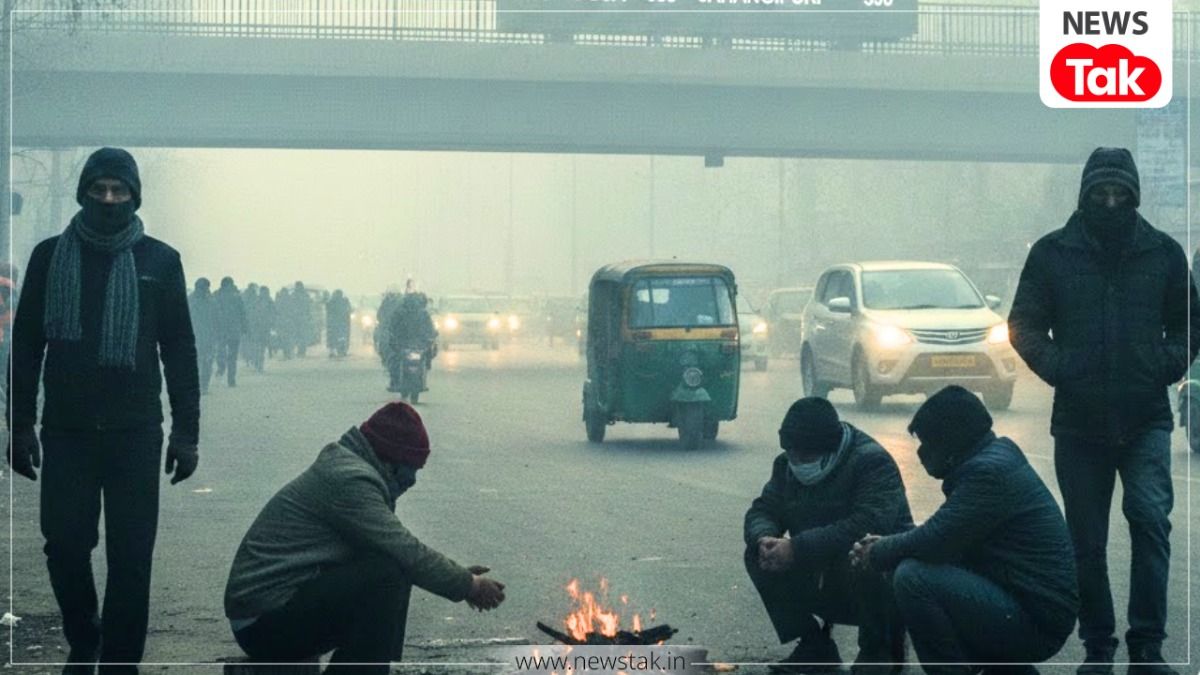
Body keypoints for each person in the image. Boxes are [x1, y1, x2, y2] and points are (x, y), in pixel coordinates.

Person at [5, 147, 200, 673]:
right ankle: (84, 633)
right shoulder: (50, 258)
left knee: (131, 560)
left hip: (136, 432)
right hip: (66, 430)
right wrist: (20, 426)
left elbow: (179, 349)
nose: (109, 199)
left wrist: (187, 432)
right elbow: (25, 347)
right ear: (84, 193)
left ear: (135, 196)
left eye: (119, 191)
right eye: (100, 190)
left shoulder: (161, 261)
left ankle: (120, 661)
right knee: (65, 547)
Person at [1007, 147, 1199, 674]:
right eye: (1101, 194)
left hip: (1145, 418)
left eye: (1119, 194)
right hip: (1078, 423)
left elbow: (1189, 326)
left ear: (1133, 195)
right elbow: (1022, 325)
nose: (1111, 203)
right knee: (1085, 542)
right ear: (1087, 194)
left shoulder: (1162, 254)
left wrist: (1161, 365)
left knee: (1151, 524)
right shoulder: (1052, 254)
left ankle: (1148, 647)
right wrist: (1064, 369)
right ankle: (1098, 647)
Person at [224, 402, 506, 673]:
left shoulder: (350, 469)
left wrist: (456, 576)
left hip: (276, 610)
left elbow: (401, 554)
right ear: (390, 459)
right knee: (388, 574)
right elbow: (405, 551)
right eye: (412, 469)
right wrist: (469, 585)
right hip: (263, 623)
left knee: (393, 569)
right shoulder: (349, 480)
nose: (412, 481)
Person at [851, 386, 1078, 675]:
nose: (921, 452)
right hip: (1023, 603)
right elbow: (947, 534)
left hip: (1036, 620)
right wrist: (888, 546)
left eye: (926, 442)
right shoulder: (993, 458)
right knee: (917, 567)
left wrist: (879, 551)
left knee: (913, 578)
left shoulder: (988, 473)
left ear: (949, 441)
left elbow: (934, 539)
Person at [744, 397, 912, 674]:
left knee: (867, 555)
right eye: (791, 453)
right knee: (757, 555)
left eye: (804, 456)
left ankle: (878, 651)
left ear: (828, 448)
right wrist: (765, 538)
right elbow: (763, 509)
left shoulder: (871, 461)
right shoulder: (786, 465)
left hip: (880, 575)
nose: (796, 462)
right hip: (821, 564)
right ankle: (814, 645)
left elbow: (868, 524)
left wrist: (796, 547)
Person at [385, 294, 437, 392]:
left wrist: (431, 337)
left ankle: (396, 381)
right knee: (393, 360)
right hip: (404, 344)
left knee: (393, 360)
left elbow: (430, 329)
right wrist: (393, 338)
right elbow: (392, 328)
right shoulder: (402, 313)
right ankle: (395, 381)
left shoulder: (422, 314)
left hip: (417, 345)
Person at [213, 276, 248, 388]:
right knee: (231, 356)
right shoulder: (236, 297)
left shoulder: (217, 296)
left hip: (223, 330)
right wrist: (244, 327)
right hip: (231, 330)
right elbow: (243, 314)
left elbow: (243, 314)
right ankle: (230, 379)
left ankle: (223, 370)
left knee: (223, 352)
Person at [187, 277, 216, 395]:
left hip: (200, 336)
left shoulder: (190, 300)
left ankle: (201, 385)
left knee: (202, 362)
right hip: (201, 336)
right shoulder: (210, 301)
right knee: (204, 362)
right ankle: (202, 385)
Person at [325, 289, 352, 358]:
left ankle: (332, 351)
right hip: (342, 323)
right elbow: (349, 310)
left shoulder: (331, 301)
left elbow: (328, 310)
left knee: (332, 337)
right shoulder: (344, 301)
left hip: (333, 323)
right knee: (342, 337)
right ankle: (341, 351)